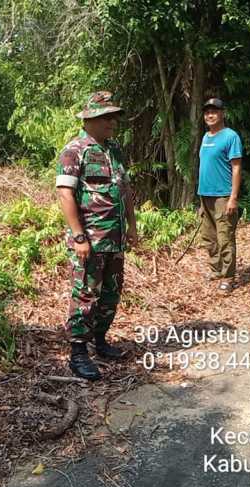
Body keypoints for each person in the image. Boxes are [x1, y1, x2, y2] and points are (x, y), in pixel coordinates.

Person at [55, 91, 138, 380]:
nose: (112, 122)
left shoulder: (113, 150)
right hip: (90, 239)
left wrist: (132, 226)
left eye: (114, 117)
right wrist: (79, 237)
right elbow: (65, 194)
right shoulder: (74, 150)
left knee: (111, 293)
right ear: (89, 119)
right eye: (106, 117)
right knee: (86, 294)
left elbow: (124, 189)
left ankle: (100, 341)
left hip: (114, 239)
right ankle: (78, 353)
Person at [197, 98, 243, 293]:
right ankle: (216, 270)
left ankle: (229, 277)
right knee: (209, 237)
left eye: (214, 111)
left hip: (223, 196)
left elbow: (237, 167)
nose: (210, 115)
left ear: (223, 113)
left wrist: (233, 197)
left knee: (225, 238)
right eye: (207, 111)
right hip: (205, 195)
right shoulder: (206, 137)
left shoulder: (230, 136)